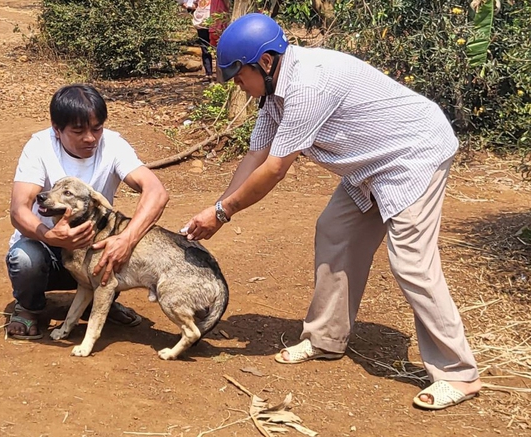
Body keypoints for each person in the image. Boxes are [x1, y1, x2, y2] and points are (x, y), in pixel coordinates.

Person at [182, 13, 481, 410]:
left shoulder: (309, 84)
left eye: (240, 76)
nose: (239, 84)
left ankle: (459, 373)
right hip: (369, 165)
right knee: (334, 231)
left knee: (412, 263)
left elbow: (274, 168)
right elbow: (256, 154)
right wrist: (216, 207)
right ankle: (325, 338)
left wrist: (222, 214)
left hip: (413, 154)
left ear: (266, 63)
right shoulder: (273, 94)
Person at [6, 84, 169, 340]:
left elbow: (156, 192)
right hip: (47, 250)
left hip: (92, 250)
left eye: (97, 128)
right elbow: (18, 210)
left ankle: (101, 301)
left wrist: (126, 240)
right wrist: (51, 237)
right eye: (78, 131)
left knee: (124, 242)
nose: (91, 138)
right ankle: (28, 308)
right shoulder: (39, 147)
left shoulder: (113, 145)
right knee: (25, 259)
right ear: (56, 130)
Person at [190, 0, 214, 82]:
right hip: (209, 24)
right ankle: (210, 73)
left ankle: (209, 74)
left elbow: (194, 6)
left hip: (206, 24)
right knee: (207, 49)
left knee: (206, 50)